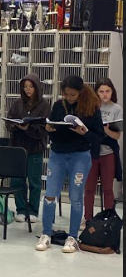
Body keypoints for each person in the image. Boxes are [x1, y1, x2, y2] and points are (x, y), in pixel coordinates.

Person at [36, 76, 104, 253]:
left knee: (75, 197)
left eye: (72, 94)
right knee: (50, 194)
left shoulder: (92, 107)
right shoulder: (59, 106)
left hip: (80, 156)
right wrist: (49, 130)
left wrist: (84, 133)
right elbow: (54, 129)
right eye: (65, 94)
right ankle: (46, 234)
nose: (68, 97)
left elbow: (98, 137)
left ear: (80, 92)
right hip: (58, 154)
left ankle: (73, 237)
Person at [5, 73, 51, 223]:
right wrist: (17, 126)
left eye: (31, 87)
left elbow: (43, 129)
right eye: (25, 87)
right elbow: (9, 123)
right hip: (17, 148)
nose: (28, 90)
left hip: (34, 148)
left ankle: (33, 210)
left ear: (37, 87)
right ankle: (21, 209)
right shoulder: (17, 103)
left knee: (34, 181)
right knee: (17, 181)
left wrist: (28, 129)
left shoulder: (44, 105)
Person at [84, 77, 123, 222]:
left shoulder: (116, 109)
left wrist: (105, 129)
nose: (105, 94)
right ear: (96, 93)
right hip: (92, 152)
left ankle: (109, 218)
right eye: (101, 91)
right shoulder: (93, 107)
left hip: (108, 152)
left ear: (112, 92)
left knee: (107, 188)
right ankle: (87, 218)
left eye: (108, 91)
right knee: (89, 188)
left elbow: (117, 135)